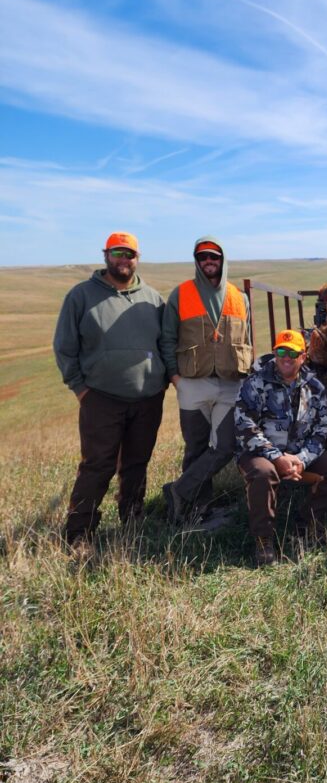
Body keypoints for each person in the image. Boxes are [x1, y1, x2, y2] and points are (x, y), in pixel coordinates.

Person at [53, 232, 166, 548]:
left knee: (137, 461)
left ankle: (132, 518)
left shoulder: (153, 299)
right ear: (106, 255)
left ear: (137, 258)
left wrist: (163, 381)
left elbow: (165, 345)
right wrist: (80, 388)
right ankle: (79, 533)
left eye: (130, 254)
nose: (124, 259)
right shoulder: (81, 296)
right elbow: (64, 346)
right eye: (118, 252)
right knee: (97, 463)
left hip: (148, 398)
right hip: (101, 397)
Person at [234, 328, 327, 565]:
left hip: (298, 453)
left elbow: (321, 429)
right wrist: (277, 458)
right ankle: (263, 540)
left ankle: (305, 526)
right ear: (275, 353)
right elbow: (245, 425)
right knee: (263, 473)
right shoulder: (255, 382)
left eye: (293, 353)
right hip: (259, 452)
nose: (287, 357)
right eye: (281, 351)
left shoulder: (314, 387)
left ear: (303, 357)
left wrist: (302, 460)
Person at [160, 237, 252, 522]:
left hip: (229, 384)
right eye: (202, 257)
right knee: (196, 447)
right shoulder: (181, 294)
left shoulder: (240, 297)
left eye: (213, 256)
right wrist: (176, 378)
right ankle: (197, 510)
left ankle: (178, 490)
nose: (208, 262)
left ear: (222, 260)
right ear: (197, 261)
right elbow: (167, 338)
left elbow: (245, 339)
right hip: (192, 382)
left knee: (225, 446)